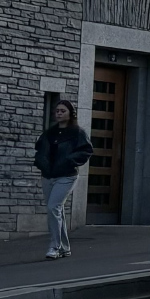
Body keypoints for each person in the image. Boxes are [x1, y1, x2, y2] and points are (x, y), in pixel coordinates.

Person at [34, 99, 92, 260]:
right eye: (57, 111)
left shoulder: (77, 133)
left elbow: (86, 150)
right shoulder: (49, 133)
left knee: (53, 207)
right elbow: (39, 149)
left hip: (66, 175)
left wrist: (69, 160)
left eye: (63, 111)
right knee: (56, 210)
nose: (59, 113)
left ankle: (54, 247)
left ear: (70, 113)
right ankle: (65, 248)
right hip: (48, 175)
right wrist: (41, 162)